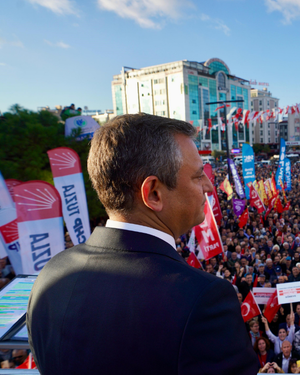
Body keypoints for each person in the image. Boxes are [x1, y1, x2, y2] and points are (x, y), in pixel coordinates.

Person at [27, 114, 258, 374]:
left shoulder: (50, 275)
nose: (208, 186)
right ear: (153, 193)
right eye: (197, 176)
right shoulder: (202, 299)